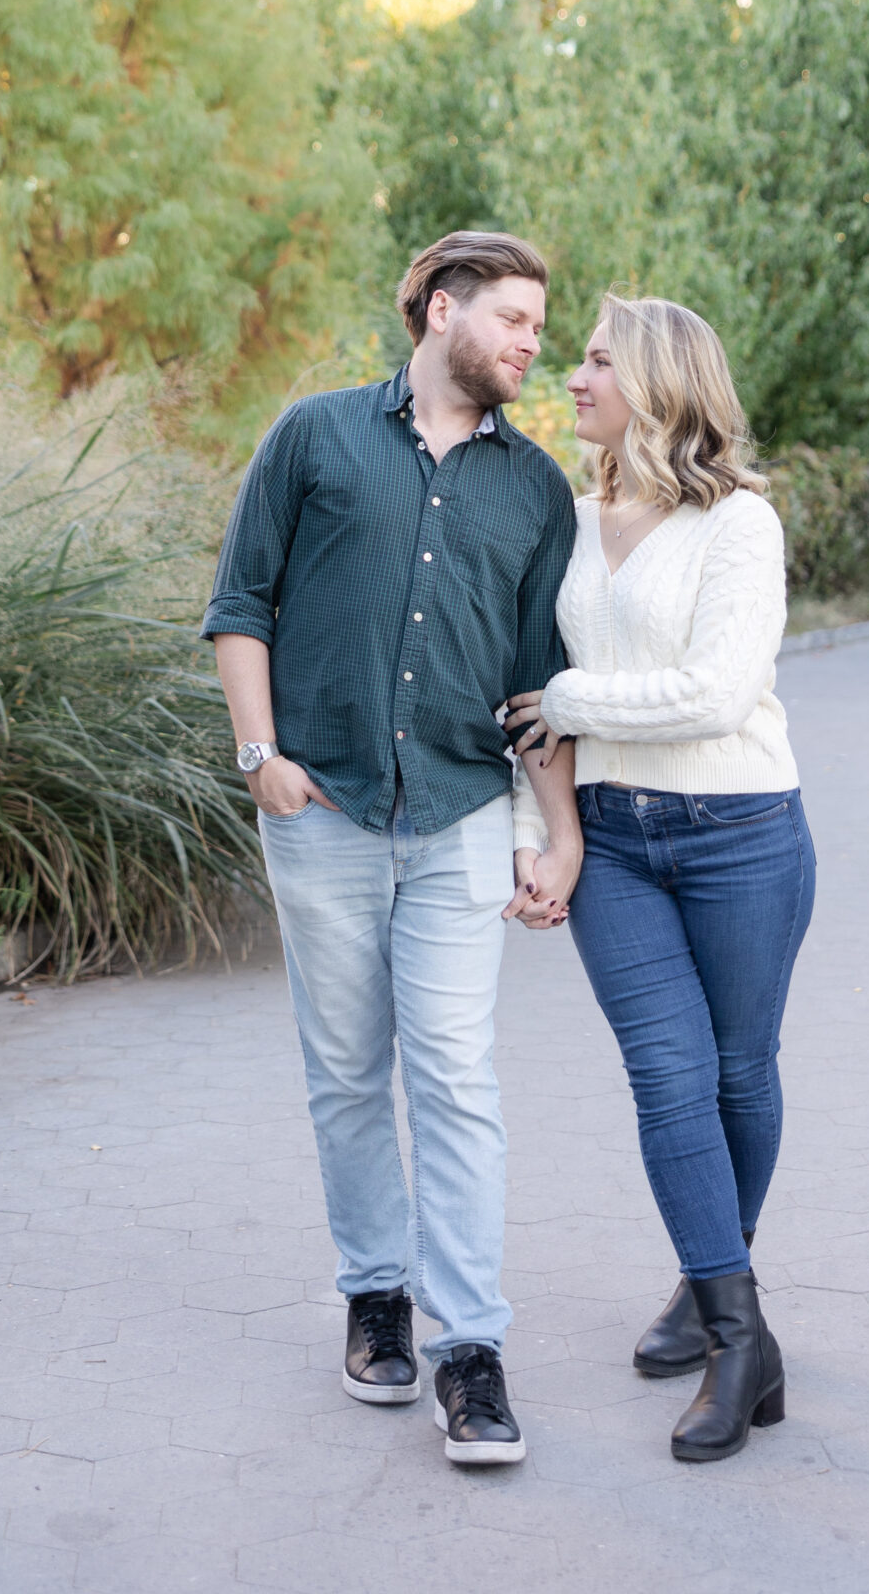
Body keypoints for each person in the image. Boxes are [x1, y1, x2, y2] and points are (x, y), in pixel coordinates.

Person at [203, 232, 577, 1465]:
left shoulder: (537, 491)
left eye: (540, 325)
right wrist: (262, 757)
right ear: (442, 308)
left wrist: (557, 833)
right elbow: (241, 603)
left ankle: (472, 1350)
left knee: (458, 1079)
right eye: (515, 318)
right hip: (324, 815)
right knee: (350, 1070)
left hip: (465, 817)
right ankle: (377, 1292)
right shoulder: (314, 437)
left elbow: (535, 690)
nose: (534, 343)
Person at [507, 293, 814, 1466]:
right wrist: (537, 832)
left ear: (658, 381)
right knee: (668, 1075)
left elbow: (717, 690)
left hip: (743, 829)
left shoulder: (741, 523)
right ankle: (742, 1337)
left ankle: (705, 1277)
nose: (572, 376)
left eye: (594, 360)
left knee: (741, 1073)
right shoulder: (570, 519)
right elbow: (520, 689)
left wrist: (575, 700)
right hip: (615, 844)